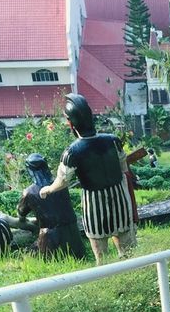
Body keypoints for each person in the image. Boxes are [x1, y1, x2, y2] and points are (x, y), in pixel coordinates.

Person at [40, 95, 135, 264]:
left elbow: (62, 181)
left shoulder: (72, 151)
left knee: (101, 255)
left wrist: (48, 189)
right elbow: (124, 167)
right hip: (119, 197)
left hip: (94, 204)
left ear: (71, 123)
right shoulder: (113, 141)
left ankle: (107, 276)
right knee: (128, 249)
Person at [17, 153, 90, 259]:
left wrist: (21, 219)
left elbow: (21, 211)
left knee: (27, 254)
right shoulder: (60, 185)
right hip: (73, 233)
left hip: (50, 238)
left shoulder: (29, 192)